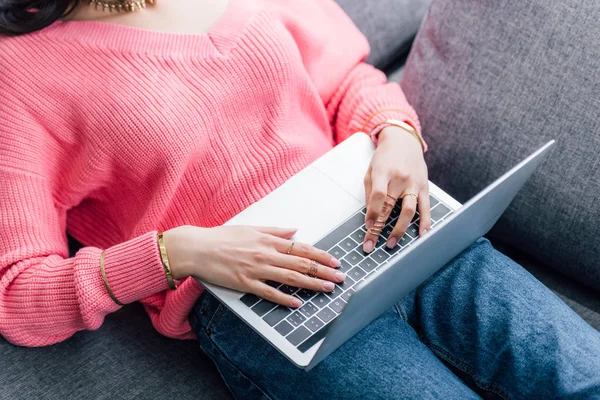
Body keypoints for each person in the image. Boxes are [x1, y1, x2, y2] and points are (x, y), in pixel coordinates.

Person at [0, 0, 598, 398]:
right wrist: (174, 253)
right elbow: (19, 294)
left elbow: (345, 81)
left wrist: (394, 131)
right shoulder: (17, 73)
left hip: (390, 226)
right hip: (264, 302)